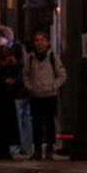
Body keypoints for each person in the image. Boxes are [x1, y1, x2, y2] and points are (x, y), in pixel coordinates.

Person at [22, 30, 66, 160]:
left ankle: (49, 149)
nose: (39, 43)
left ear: (47, 43)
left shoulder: (52, 57)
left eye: (42, 40)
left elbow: (62, 75)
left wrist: (53, 86)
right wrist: (30, 86)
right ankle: (37, 150)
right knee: (36, 124)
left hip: (49, 95)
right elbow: (26, 74)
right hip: (35, 95)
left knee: (49, 123)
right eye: (37, 40)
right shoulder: (30, 58)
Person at [0, 26, 32, 157]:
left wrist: (14, 67)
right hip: (19, 88)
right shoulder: (4, 49)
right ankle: (24, 146)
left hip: (19, 89)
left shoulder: (16, 49)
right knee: (23, 119)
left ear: (6, 37)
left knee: (19, 119)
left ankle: (19, 145)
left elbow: (22, 66)